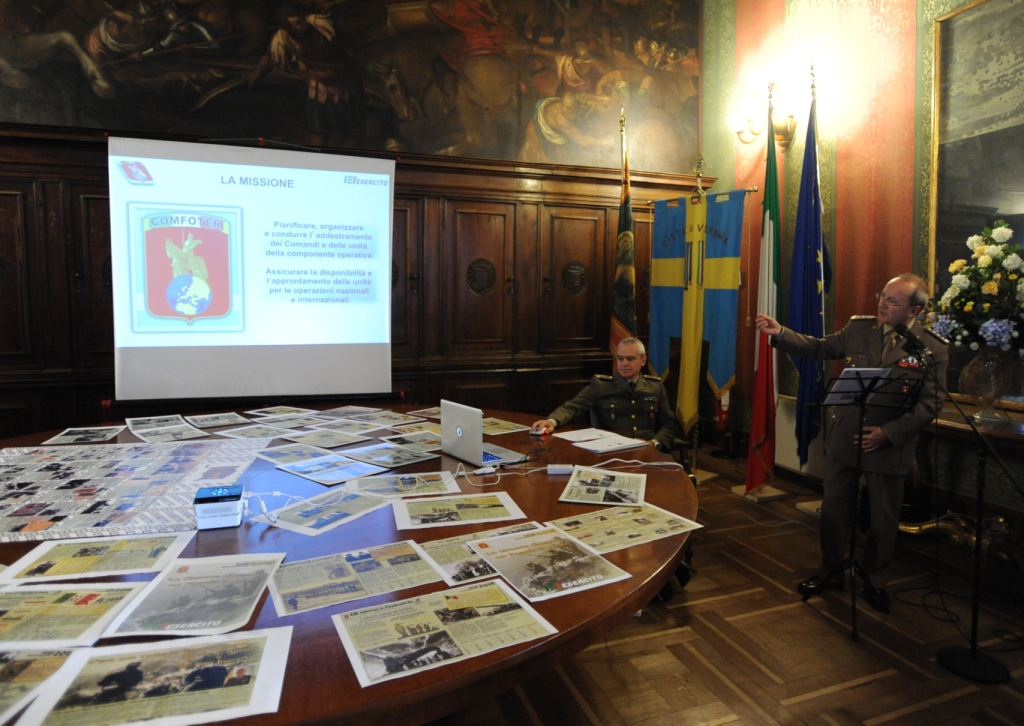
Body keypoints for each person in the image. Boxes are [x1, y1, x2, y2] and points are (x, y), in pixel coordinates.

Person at [756, 273, 948, 613]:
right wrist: (781, 333)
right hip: (846, 437)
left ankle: (875, 581)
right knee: (834, 510)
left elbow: (931, 403)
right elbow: (820, 347)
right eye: (882, 296)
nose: (882, 304)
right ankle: (830, 571)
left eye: (892, 301)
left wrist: (889, 433)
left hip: (889, 445)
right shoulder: (861, 329)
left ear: (914, 311)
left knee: (883, 519)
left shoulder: (932, 348)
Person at [531, 338, 683, 452]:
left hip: (649, 451)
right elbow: (572, 407)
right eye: (620, 358)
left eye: (630, 359)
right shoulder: (601, 385)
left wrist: (654, 443)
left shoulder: (655, 387)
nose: (624, 363)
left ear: (643, 360)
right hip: (612, 452)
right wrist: (551, 421)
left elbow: (669, 424)